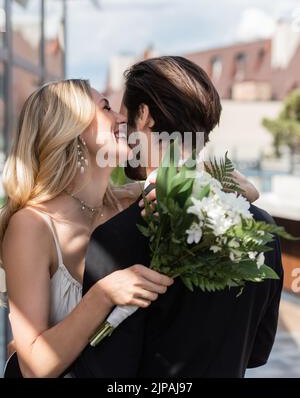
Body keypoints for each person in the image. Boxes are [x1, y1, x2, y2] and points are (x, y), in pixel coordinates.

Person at [73, 56, 283, 378]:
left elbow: (106, 371)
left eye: (127, 116)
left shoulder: (117, 236)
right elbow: (257, 352)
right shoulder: (263, 226)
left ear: (144, 116)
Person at [0, 79, 174, 378]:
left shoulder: (131, 201)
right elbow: (33, 366)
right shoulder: (31, 227)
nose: (122, 118)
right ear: (71, 129)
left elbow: (235, 187)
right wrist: (104, 294)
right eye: (106, 107)